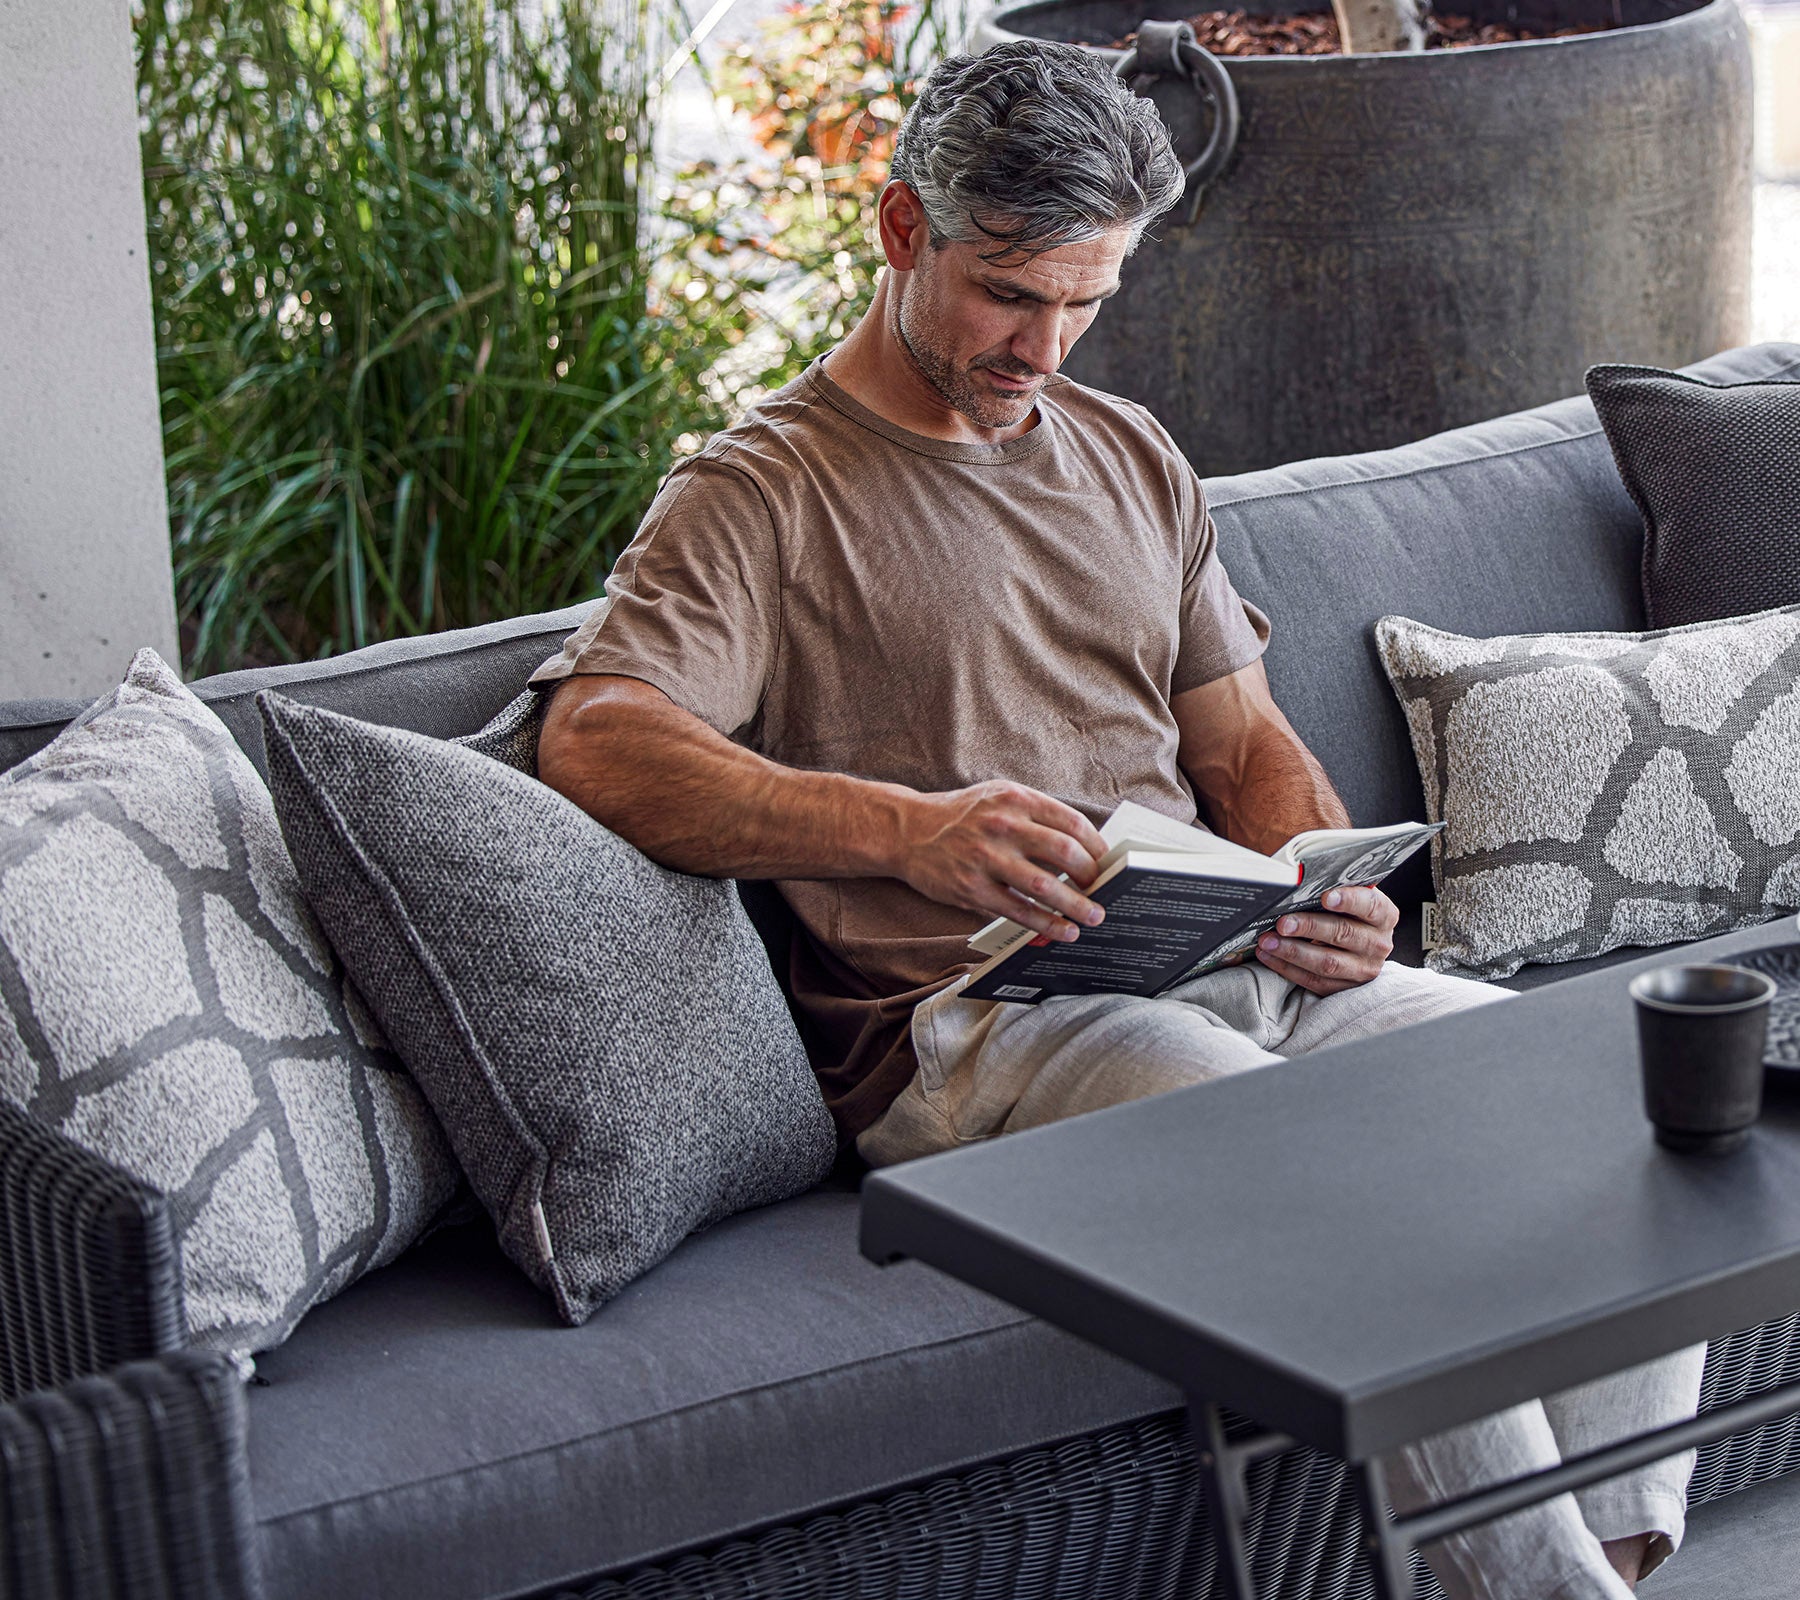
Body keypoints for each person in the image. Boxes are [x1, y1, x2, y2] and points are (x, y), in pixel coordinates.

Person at [533, 40, 1702, 1600]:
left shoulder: (1132, 454)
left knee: (1609, 1108)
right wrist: (900, 830)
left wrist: (1313, 874)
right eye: (1011, 294)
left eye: (1087, 299)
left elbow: (1247, 745)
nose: (1046, 343)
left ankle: (1615, 1565)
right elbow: (596, 740)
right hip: (977, 1025)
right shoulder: (763, 496)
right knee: (1360, 1183)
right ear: (901, 232)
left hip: (1221, 950)